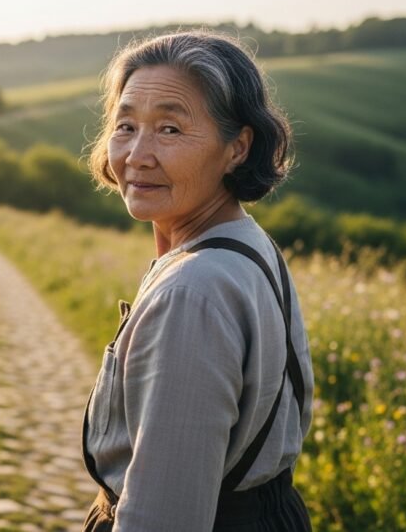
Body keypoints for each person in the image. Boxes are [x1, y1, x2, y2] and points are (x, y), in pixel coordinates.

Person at [80, 30, 315, 531]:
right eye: (125, 126)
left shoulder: (192, 292)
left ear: (237, 147)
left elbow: (163, 518)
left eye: (169, 129)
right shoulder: (247, 244)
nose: (137, 155)